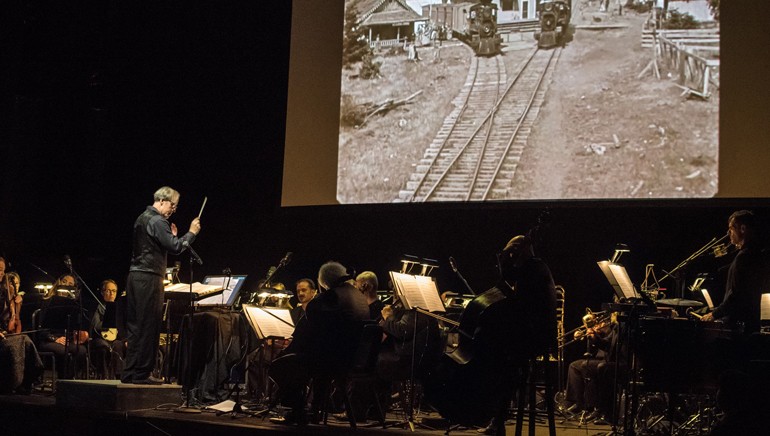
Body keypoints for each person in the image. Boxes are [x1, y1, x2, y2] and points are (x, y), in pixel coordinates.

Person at [269, 261, 369, 425]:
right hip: (354, 358)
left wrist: (289, 350)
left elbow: (310, 334)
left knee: (281, 365)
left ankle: (298, 410)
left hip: (334, 362)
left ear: (323, 282)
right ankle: (314, 410)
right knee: (309, 358)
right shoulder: (358, 296)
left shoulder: (330, 298)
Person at [120, 186, 201, 385]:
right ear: (162, 201)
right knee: (149, 325)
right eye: (173, 205)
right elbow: (176, 247)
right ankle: (142, 374)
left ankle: (129, 372)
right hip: (149, 278)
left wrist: (171, 236)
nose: (173, 210)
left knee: (136, 326)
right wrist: (191, 233)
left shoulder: (142, 217)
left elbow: (165, 244)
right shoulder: (158, 220)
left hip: (135, 276)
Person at [701, 210, 769, 335]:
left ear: (742, 229)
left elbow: (737, 295)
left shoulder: (745, 257)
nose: (729, 233)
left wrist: (714, 314)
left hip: (739, 328)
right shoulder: (753, 254)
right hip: (747, 324)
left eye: (731, 229)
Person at [0, 264, 43, 394]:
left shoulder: (14, 299)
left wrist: (18, 304)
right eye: (12, 284)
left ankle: (28, 381)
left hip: (7, 334)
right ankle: (13, 383)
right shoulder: (2, 298)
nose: (15, 286)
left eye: (17, 284)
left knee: (26, 341)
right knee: (15, 345)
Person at [37, 273, 88, 379]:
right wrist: (55, 339)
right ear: (59, 282)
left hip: (66, 340)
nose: (67, 286)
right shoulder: (47, 301)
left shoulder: (72, 304)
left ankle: (71, 378)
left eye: (70, 284)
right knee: (63, 351)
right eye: (65, 282)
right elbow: (41, 328)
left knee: (81, 350)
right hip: (48, 339)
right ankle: (63, 380)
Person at [89, 279, 125, 379]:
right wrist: (108, 323)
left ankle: (118, 377)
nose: (111, 294)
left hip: (115, 339)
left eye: (114, 291)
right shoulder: (97, 306)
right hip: (100, 338)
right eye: (108, 291)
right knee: (103, 347)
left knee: (118, 346)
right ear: (102, 292)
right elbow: (95, 325)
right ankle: (104, 377)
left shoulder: (119, 308)